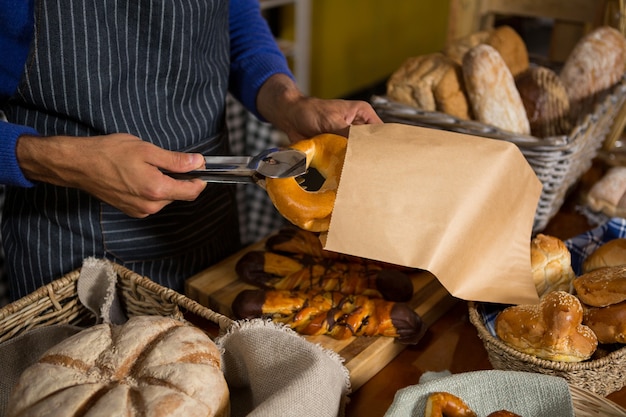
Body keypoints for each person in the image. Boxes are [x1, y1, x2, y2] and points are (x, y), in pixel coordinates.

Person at [0, 0, 382, 300]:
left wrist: (288, 102)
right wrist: (55, 160)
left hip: (210, 223)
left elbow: (234, 15)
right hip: (71, 246)